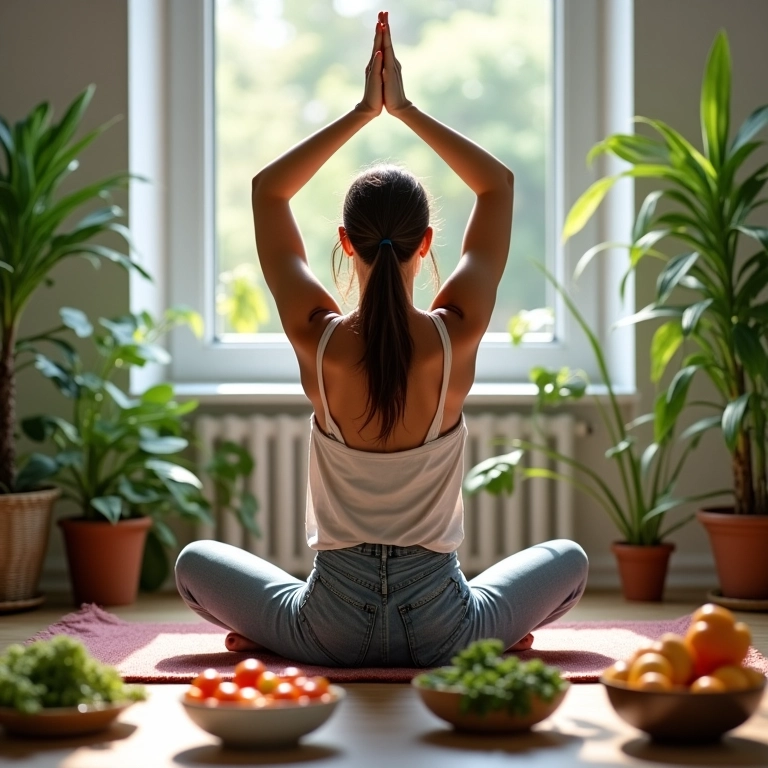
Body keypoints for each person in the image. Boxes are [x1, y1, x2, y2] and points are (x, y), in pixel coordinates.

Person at [175, 11, 588, 668]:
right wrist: (405, 107)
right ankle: (494, 636)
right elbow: (496, 186)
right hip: (445, 629)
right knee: (570, 561)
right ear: (427, 243)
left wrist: (363, 112)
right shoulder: (456, 334)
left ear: (345, 244)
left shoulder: (320, 340)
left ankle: (281, 640)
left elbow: (267, 193)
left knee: (194, 563)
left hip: (328, 629)